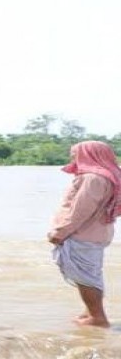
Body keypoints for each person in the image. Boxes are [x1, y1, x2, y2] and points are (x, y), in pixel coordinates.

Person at [48, 141, 121, 328]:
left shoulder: (93, 178)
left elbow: (81, 209)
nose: (73, 158)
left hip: (82, 234)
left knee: (86, 277)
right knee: (90, 274)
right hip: (96, 233)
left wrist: (60, 232)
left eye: (75, 154)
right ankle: (91, 312)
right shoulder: (111, 174)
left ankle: (97, 317)